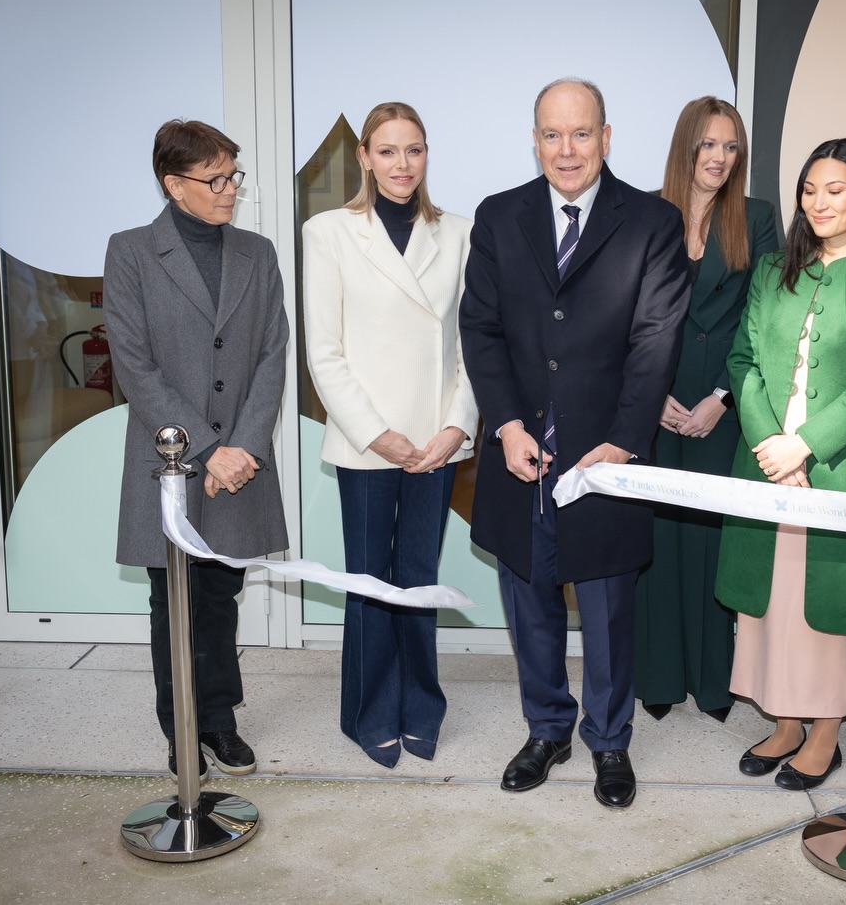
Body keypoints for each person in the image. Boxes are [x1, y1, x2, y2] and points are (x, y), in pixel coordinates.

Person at [459, 78, 688, 810]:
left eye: (581, 134)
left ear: (607, 137)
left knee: (609, 606)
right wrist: (506, 424)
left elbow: (656, 338)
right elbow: (481, 328)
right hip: (523, 449)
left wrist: (625, 440)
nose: (566, 150)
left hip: (605, 459)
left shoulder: (653, 220)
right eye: (552, 135)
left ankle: (609, 739)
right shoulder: (499, 217)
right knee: (529, 600)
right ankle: (547, 727)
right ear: (534, 140)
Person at [715, 139, 846, 791]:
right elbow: (743, 362)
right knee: (768, 600)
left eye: (835, 188)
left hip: (836, 466)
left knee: (826, 607)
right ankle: (784, 721)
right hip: (764, 462)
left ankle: (825, 730)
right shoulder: (774, 266)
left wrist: (804, 445)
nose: (819, 201)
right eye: (809, 189)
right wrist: (769, 442)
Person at [104, 119, 289, 780]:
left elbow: (272, 354)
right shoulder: (130, 253)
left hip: (241, 460)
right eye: (216, 179)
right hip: (172, 463)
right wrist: (208, 448)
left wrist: (242, 446)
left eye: (233, 175)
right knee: (172, 600)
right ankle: (180, 727)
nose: (230, 189)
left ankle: (220, 719)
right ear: (173, 183)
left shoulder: (257, 253)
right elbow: (134, 365)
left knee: (220, 593)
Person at [302, 102, 476, 768]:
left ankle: (421, 706)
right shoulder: (329, 232)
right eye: (388, 151)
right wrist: (378, 435)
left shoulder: (458, 233)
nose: (402, 165)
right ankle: (369, 710)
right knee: (372, 578)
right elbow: (325, 352)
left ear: (427, 156)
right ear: (365, 158)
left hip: (435, 440)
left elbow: (473, 346)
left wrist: (457, 425)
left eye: (415, 150)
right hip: (367, 441)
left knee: (418, 577)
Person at [635, 96, 781, 723]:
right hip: (653, 400)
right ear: (686, 147)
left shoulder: (757, 216)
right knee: (657, 538)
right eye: (709, 145)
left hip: (727, 400)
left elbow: (766, 317)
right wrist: (649, 390)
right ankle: (659, 678)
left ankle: (715, 683)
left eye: (731, 147)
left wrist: (722, 397)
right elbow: (621, 313)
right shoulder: (643, 213)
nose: (721, 158)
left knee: (715, 539)